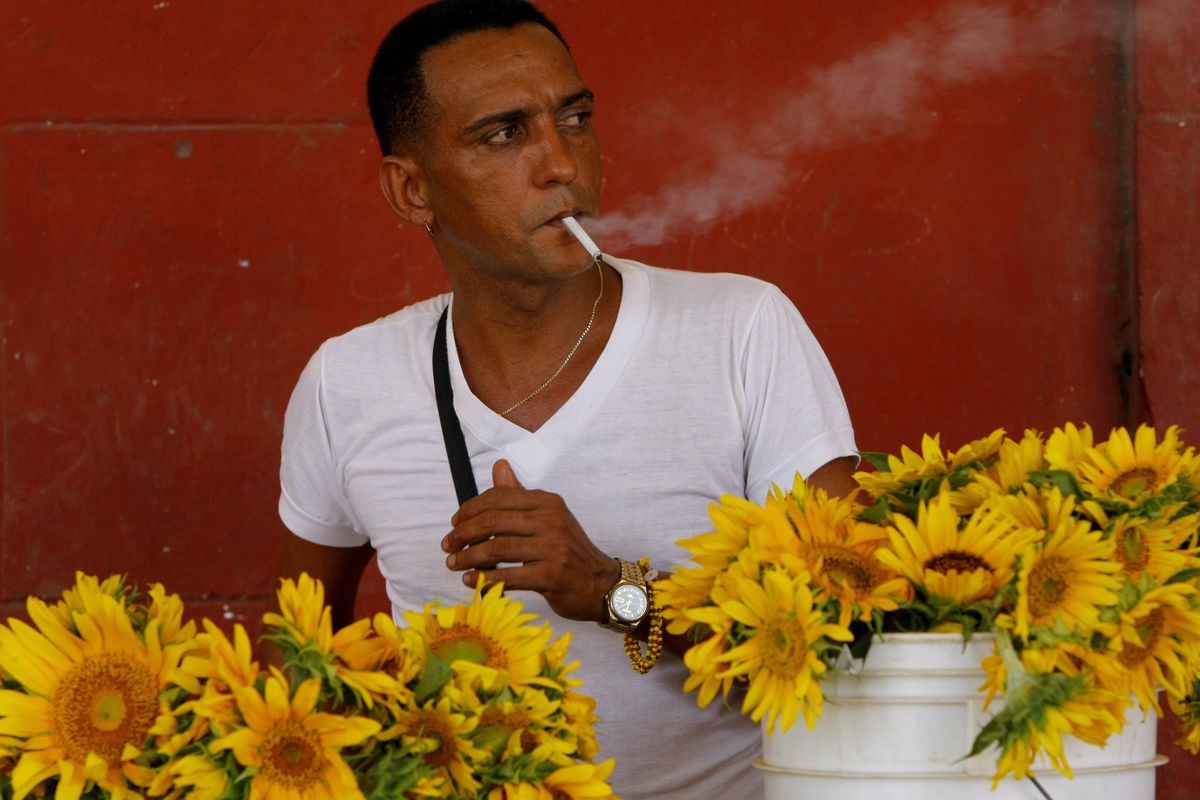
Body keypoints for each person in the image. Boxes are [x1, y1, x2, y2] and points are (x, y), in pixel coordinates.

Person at [277, 1, 858, 797]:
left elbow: (846, 641)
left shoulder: (741, 330)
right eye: (505, 134)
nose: (562, 165)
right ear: (412, 192)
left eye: (575, 117)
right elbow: (299, 649)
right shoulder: (348, 383)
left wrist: (610, 590)